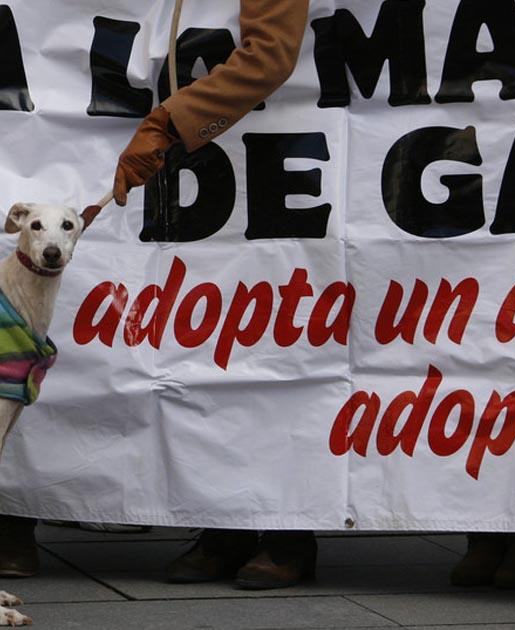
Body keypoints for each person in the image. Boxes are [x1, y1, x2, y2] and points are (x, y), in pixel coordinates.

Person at [111, 0, 313, 589]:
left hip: (274, 169)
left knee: (278, 347)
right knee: (204, 351)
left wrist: (168, 122)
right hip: (208, 173)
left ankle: (286, 528)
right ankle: (225, 524)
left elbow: (270, 52)